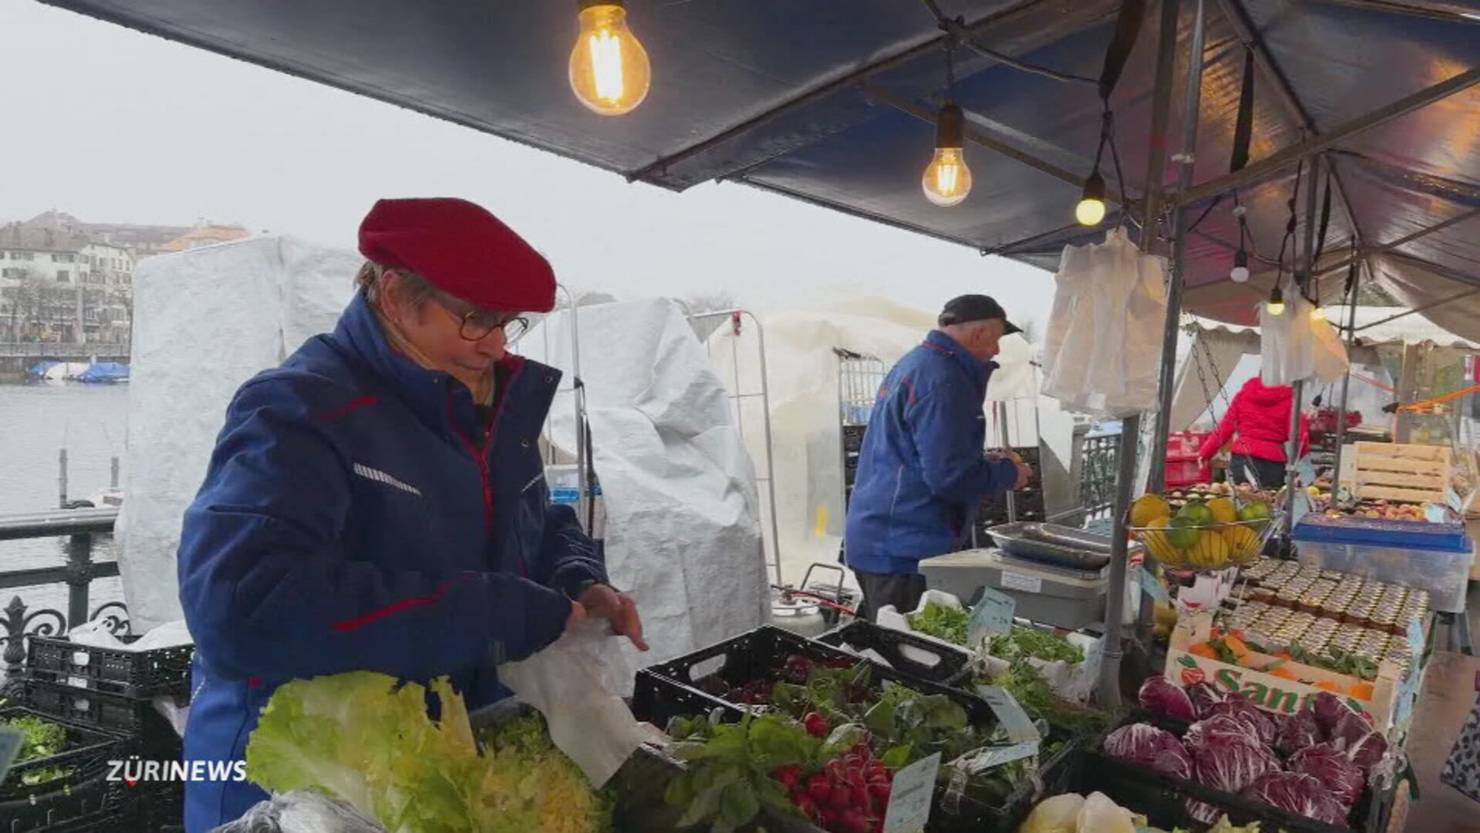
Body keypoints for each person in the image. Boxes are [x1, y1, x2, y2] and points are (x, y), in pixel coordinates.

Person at [176, 197, 646, 832]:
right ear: (395, 294)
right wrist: (495, 614)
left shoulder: (487, 406)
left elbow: (534, 524)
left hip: (427, 767)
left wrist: (576, 577)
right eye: (477, 318)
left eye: (509, 321)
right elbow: (241, 606)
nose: (497, 342)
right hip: (298, 783)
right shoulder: (298, 409)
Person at [843, 295, 1033, 621]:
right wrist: (1009, 474)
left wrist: (982, 460)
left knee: (887, 644)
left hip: (883, 536)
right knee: (908, 655)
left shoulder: (918, 364)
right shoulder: (945, 380)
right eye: (997, 339)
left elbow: (917, 454)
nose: (997, 351)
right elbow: (950, 477)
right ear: (979, 334)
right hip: (903, 547)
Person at [1197, 375, 1310, 488]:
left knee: (1244, 500)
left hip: (1242, 457)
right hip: (1272, 462)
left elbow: (1224, 427)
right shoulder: (1290, 401)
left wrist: (1206, 453)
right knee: (1270, 501)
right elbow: (1300, 437)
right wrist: (1300, 465)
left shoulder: (1243, 395)